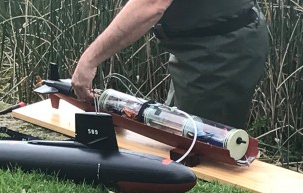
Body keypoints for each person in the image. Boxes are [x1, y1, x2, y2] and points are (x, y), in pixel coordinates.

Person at [71, 0, 269, 129]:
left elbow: (150, 5)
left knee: (202, 146)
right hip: (195, 45)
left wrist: (89, 60)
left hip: (221, 50)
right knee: (174, 129)